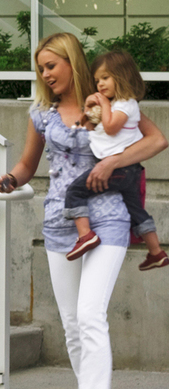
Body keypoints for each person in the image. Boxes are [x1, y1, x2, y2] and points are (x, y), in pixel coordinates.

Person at [0, 32, 169, 389]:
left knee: (90, 316)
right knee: (73, 327)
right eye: (40, 68)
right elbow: (28, 164)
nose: (45, 74)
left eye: (51, 65)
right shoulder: (42, 114)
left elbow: (156, 140)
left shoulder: (110, 101)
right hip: (60, 222)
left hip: (108, 217)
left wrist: (114, 161)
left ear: (72, 63)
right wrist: (10, 179)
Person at [63, 49, 167, 269]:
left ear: (122, 77)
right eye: (97, 81)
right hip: (128, 170)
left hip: (120, 169)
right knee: (136, 211)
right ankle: (156, 252)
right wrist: (89, 109)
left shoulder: (126, 105)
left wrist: (103, 104)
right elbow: (88, 127)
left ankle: (85, 235)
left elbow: (110, 128)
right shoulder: (114, 106)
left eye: (105, 78)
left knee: (75, 191)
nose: (100, 84)